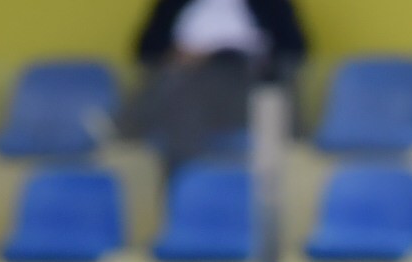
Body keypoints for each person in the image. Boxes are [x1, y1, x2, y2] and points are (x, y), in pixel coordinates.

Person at [128, 0, 307, 170]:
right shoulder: (175, 3)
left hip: (247, 77)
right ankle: (188, 176)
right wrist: (179, 55)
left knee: (268, 97)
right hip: (190, 77)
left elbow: (293, 48)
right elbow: (147, 49)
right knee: (179, 92)